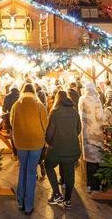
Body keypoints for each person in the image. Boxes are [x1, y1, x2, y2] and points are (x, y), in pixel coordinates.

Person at [11, 83, 48, 215]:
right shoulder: (39, 105)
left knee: (22, 170)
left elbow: (11, 122)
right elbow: (46, 124)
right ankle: (28, 206)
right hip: (36, 143)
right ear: (34, 92)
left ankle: (20, 202)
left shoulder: (16, 105)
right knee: (31, 172)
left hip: (20, 143)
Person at [44, 91, 81, 209]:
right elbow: (78, 130)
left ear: (57, 99)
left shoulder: (55, 112)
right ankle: (68, 200)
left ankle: (56, 194)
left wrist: (50, 143)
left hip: (56, 149)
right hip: (72, 149)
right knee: (70, 173)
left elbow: (49, 133)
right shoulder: (75, 112)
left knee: (48, 166)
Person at [78, 83, 105, 193]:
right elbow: (100, 118)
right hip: (96, 134)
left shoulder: (82, 100)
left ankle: (89, 184)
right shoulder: (96, 100)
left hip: (86, 134)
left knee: (89, 161)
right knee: (96, 160)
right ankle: (96, 186)